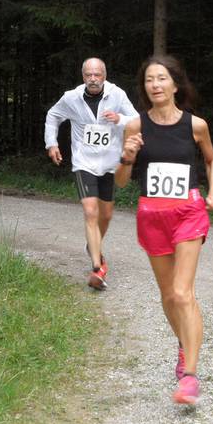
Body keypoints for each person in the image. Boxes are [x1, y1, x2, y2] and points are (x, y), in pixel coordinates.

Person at [115, 54, 213, 405]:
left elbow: (211, 160)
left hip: (188, 212)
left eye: (161, 78)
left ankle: (189, 376)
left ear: (175, 84)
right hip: (152, 215)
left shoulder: (196, 125)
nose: (155, 85)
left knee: (181, 292)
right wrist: (127, 156)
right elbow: (121, 181)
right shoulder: (135, 126)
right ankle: (183, 343)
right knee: (167, 295)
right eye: (149, 80)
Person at [45, 57, 139, 289]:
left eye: (97, 74)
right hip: (84, 162)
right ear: (83, 76)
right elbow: (53, 115)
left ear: (104, 75)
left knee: (105, 215)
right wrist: (52, 143)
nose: (93, 79)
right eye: (89, 75)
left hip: (109, 164)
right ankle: (98, 267)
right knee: (90, 211)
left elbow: (137, 120)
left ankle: (92, 245)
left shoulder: (117, 95)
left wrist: (120, 119)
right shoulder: (72, 97)